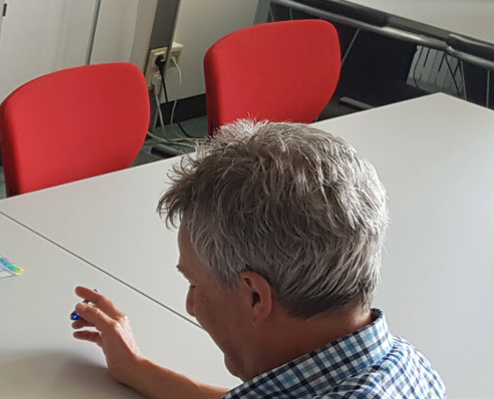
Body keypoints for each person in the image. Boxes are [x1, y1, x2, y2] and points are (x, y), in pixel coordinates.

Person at [69, 121, 444, 398]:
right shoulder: (404, 364)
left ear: (254, 296)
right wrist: (135, 368)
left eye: (195, 284)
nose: (190, 306)